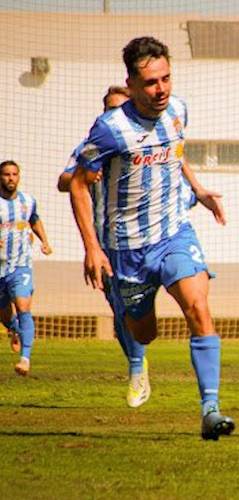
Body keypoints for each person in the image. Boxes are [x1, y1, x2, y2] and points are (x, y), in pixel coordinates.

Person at [70, 37, 234, 440]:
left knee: (199, 307)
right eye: (150, 83)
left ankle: (210, 409)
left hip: (173, 232)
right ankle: (138, 361)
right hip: (126, 249)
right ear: (131, 82)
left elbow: (177, 154)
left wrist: (198, 190)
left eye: (166, 79)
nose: (161, 90)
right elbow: (77, 185)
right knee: (145, 332)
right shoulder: (110, 129)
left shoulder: (177, 110)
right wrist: (92, 247)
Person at [58, 85, 153, 408]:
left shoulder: (144, 142)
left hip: (139, 239)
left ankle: (138, 365)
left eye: (120, 107)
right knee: (118, 311)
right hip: (103, 242)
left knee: (131, 309)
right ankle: (137, 365)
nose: (115, 114)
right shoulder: (91, 146)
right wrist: (83, 177)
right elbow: (65, 180)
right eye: (109, 108)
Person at [0, 160, 53, 375]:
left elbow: (35, 220)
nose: (11, 178)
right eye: (6, 174)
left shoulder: (28, 201)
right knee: (4, 315)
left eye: (14, 174)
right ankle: (13, 328)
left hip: (21, 266)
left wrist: (44, 241)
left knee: (24, 307)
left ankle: (25, 358)